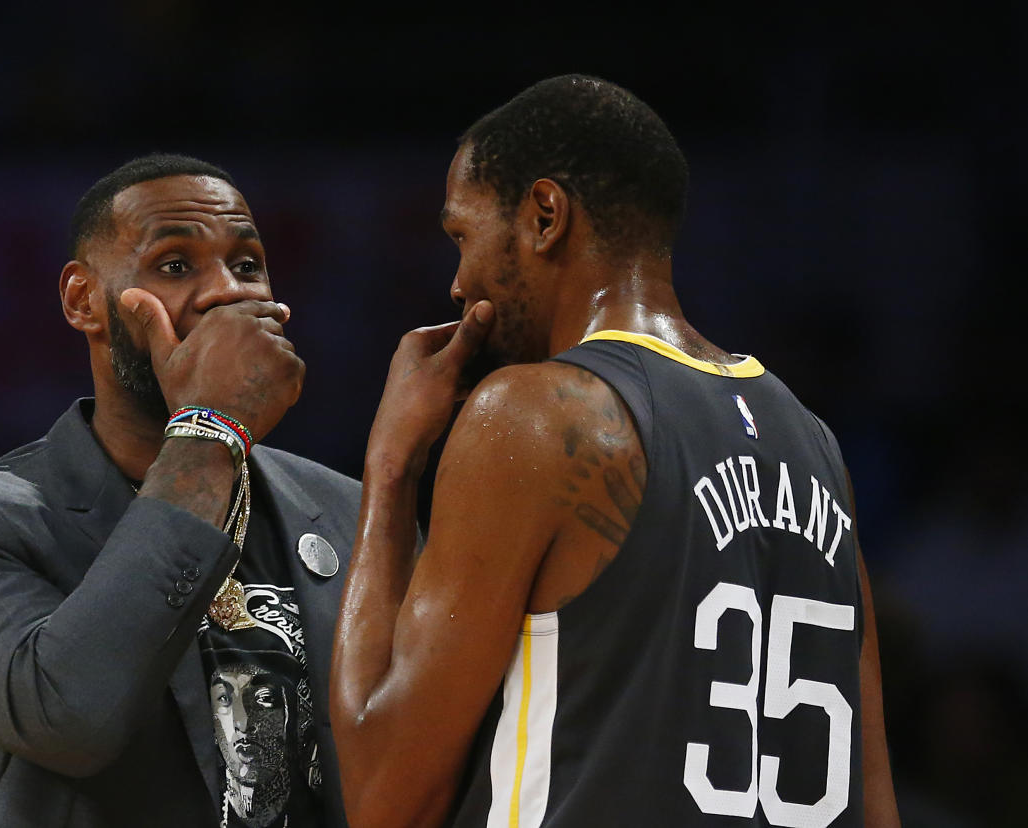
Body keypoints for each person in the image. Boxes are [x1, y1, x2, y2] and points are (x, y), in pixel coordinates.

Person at [330, 76, 900, 827]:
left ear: (543, 216)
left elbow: (383, 798)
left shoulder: (535, 416)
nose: (457, 282)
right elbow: (874, 805)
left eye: (462, 236)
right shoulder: (813, 443)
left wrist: (391, 463)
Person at [0, 154, 362, 827]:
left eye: (247, 265)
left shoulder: (344, 511)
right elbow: (69, 715)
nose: (226, 292)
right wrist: (208, 430)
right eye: (176, 265)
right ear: (81, 300)